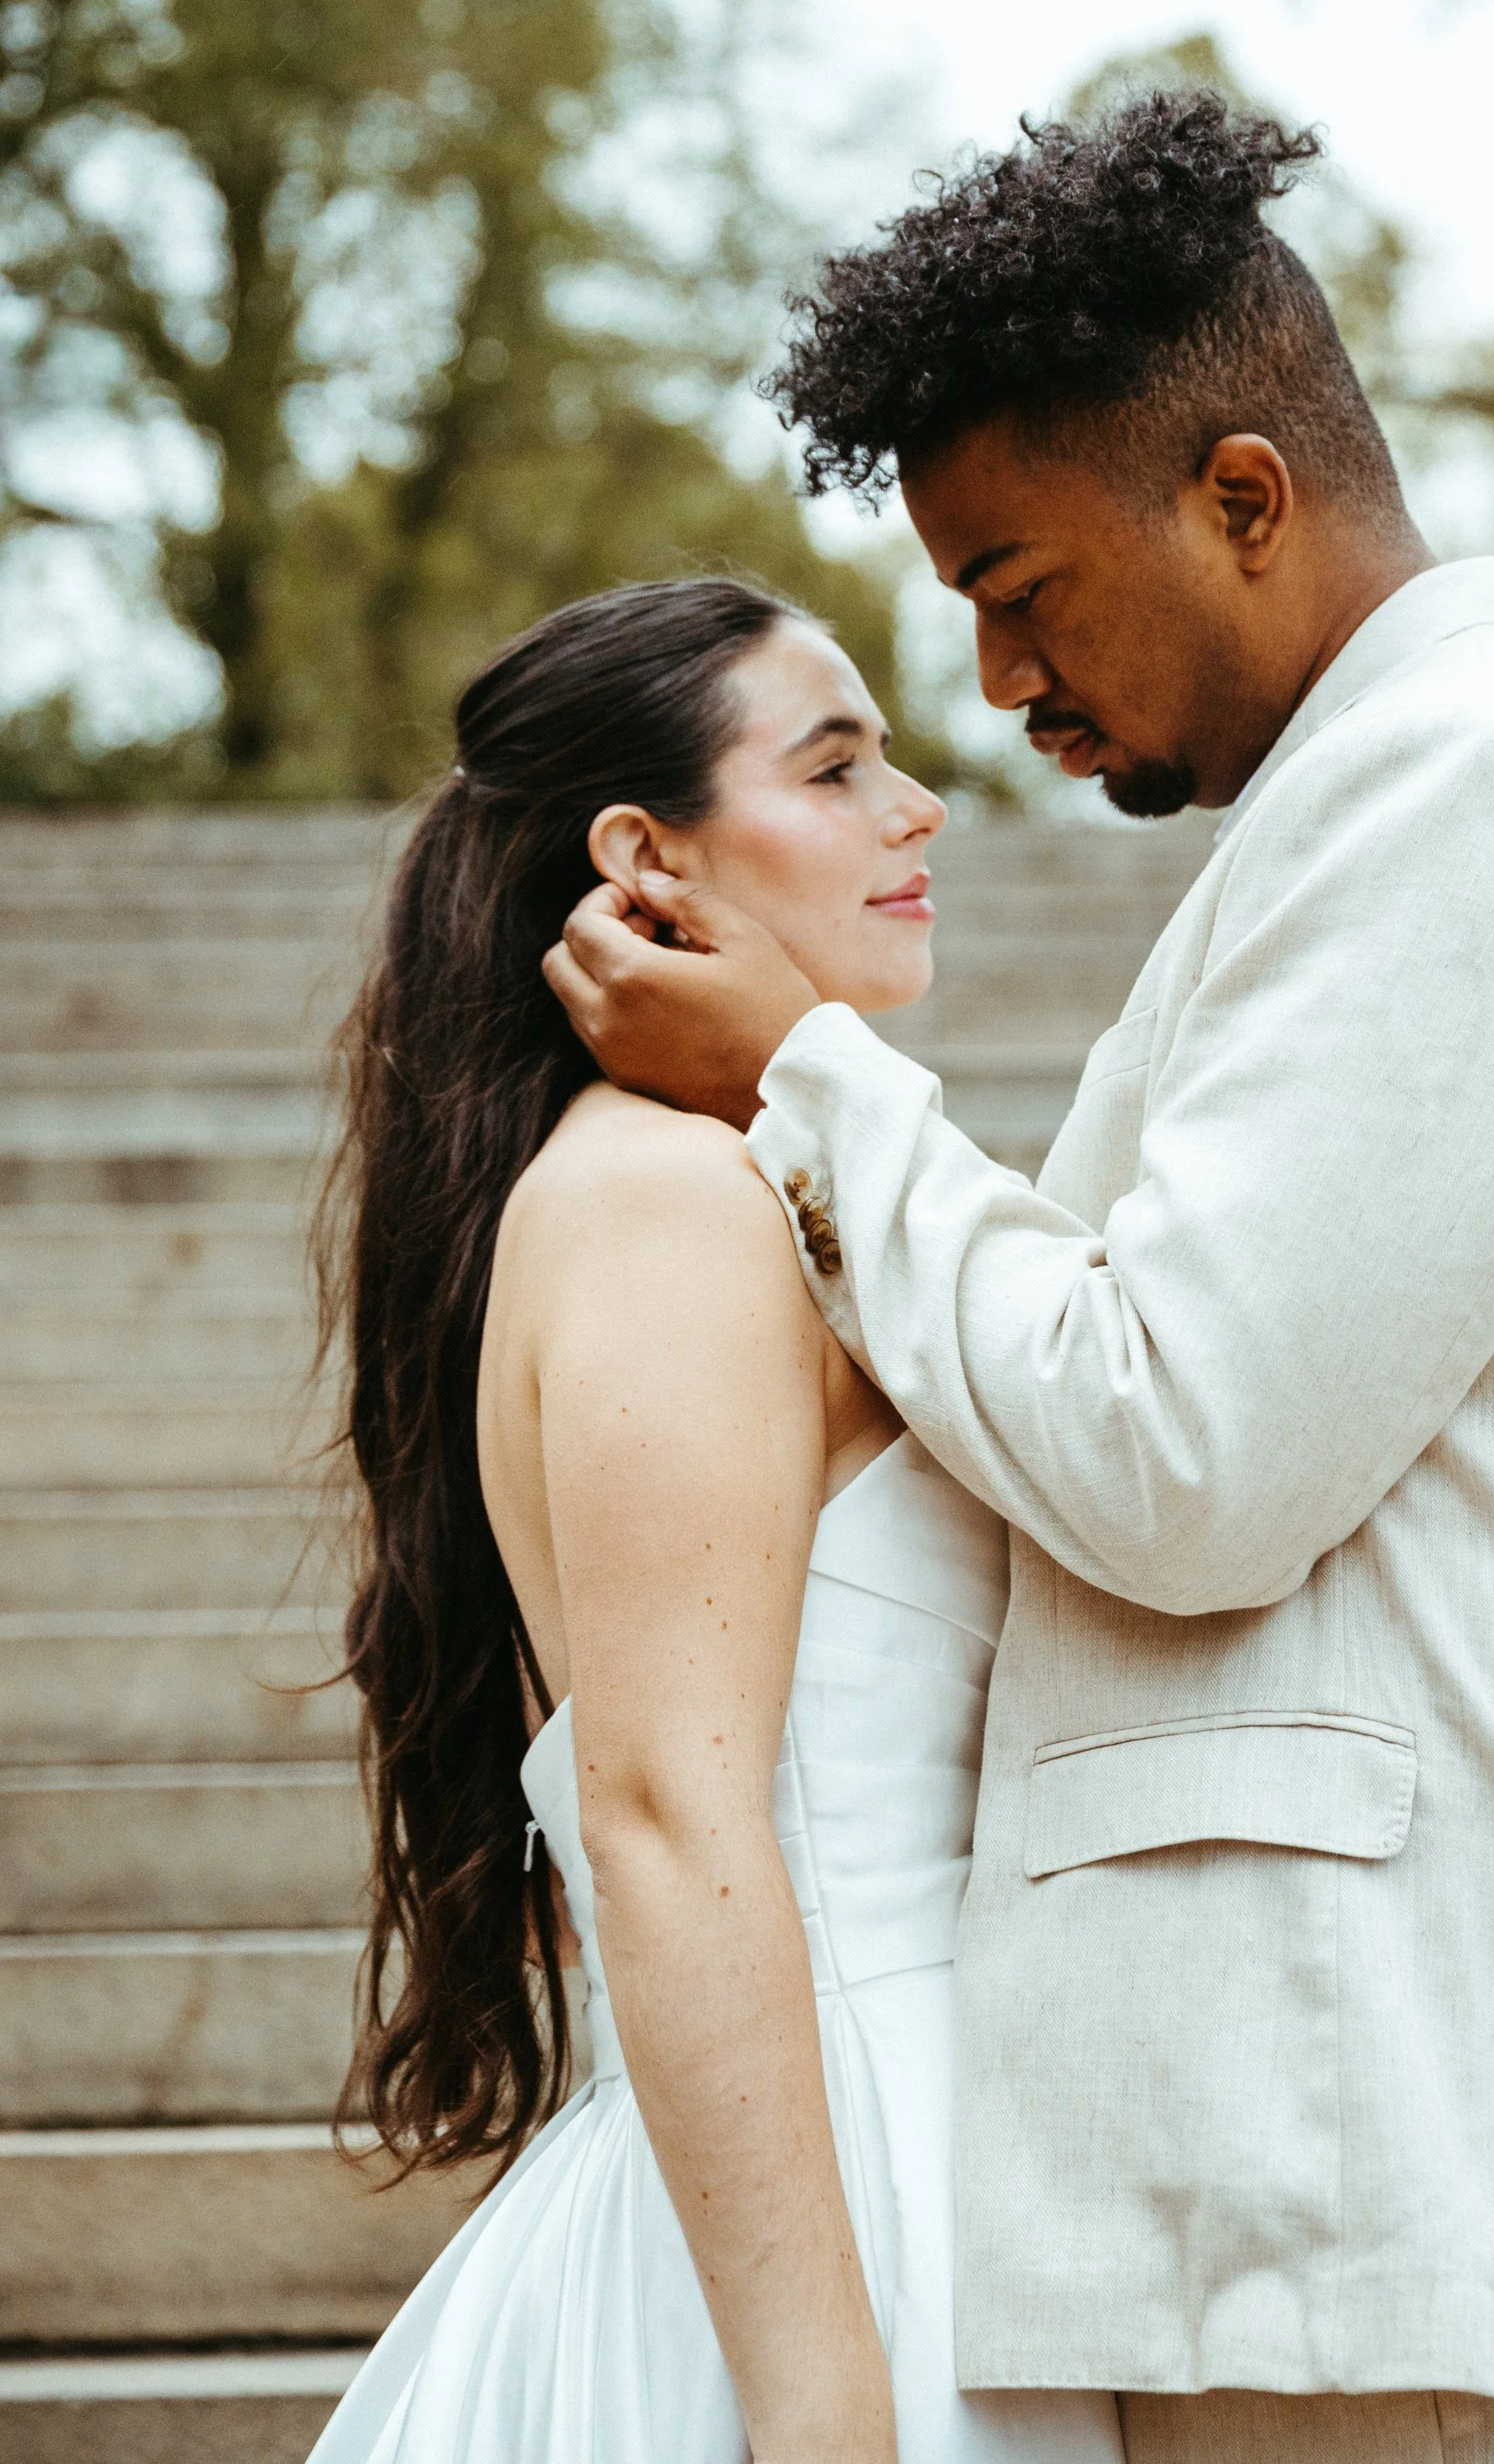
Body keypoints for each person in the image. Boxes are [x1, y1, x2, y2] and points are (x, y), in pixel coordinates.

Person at [546, 92, 1494, 2464]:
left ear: (1239, 498)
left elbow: (1180, 1452)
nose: (995, 684)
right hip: (1345, 2212)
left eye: (1019, 583)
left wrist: (817, 1083)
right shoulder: (1373, 807)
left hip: (1446, 2208)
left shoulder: (1481, 790)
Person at [311, 572, 1121, 2464]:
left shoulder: (724, 1183)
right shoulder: (666, 1205)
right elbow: (668, 1818)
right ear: (642, 854)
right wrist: (823, 2418)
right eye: (836, 767)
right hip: (833, 2207)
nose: (916, 808)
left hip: (908, 2156)